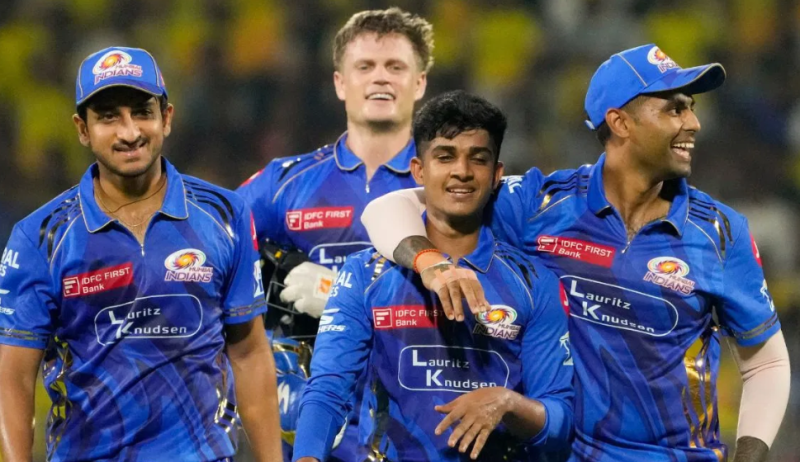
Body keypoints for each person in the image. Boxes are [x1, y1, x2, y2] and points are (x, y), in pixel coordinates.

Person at [361, 44, 791, 462]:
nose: (693, 123)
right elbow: (388, 208)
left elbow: (765, 365)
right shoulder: (541, 205)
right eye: (675, 109)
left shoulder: (719, 232)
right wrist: (432, 264)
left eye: (690, 108)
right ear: (620, 122)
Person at [0, 46, 282, 461]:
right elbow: (12, 379)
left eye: (142, 112)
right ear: (82, 129)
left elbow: (249, 353)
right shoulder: (39, 237)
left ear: (166, 118)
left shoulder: (226, 214)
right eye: (108, 117)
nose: (129, 132)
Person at [293, 90, 573, 462]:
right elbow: (328, 389)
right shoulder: (365, 273)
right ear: (418, 171)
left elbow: (560, 420)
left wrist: (508, 403)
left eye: (478, 159)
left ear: (496, 175)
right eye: (445, 156)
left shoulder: (534, 283)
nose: (462, 171)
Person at [236, 7, 433, 460]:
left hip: (415, 428)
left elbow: (482, 299)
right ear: (340, 83)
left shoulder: (448, 188)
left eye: (395, 67)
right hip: (311, 430)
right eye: (365, 66)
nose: (380, 77)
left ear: (420, 83)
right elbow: (206, 252)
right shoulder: (283, 184)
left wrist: (341, 297)